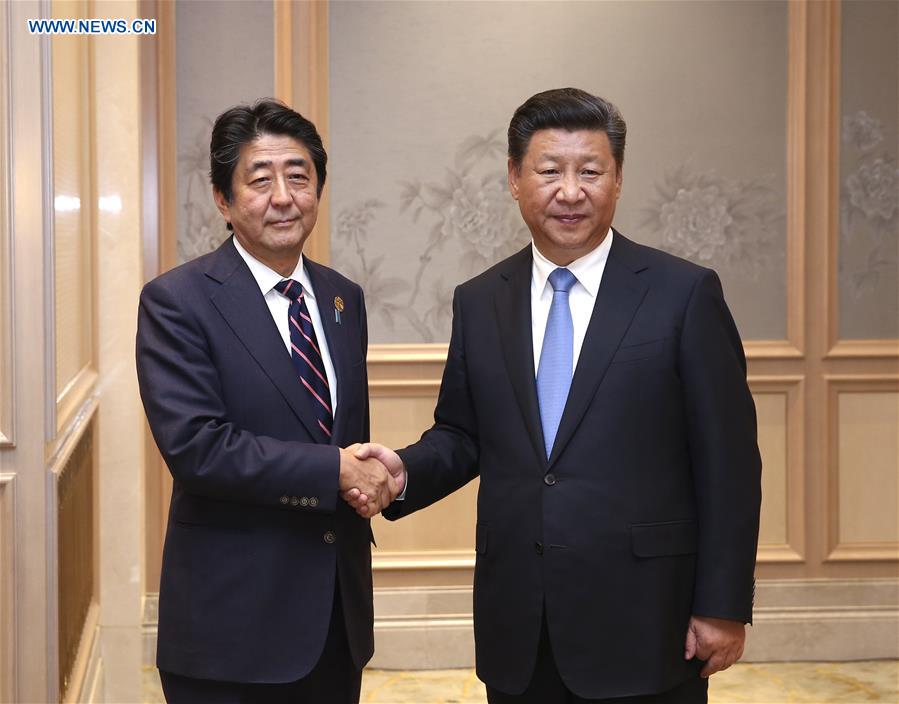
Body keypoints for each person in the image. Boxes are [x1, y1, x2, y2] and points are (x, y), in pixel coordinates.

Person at [350, 88, 762, 703]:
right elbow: (463, 434)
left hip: (648, 621)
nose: (570, 191)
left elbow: (729, 464)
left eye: (590, 171)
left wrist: (724, 605)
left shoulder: (683, 295)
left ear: (618, 178)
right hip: (521, 624)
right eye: (549, 171)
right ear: (515, 179)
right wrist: (401, 472)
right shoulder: (482, 299)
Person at [136, 99, 401, 703]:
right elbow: (198, 449)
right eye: (260, 179)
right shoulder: (178, 302)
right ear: (224, 200)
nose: (283, 196)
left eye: (299, 176)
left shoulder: (342, 298)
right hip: (233, 630)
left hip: (336, 619)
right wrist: (336, 470)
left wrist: (369, 475)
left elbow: (334, 430)